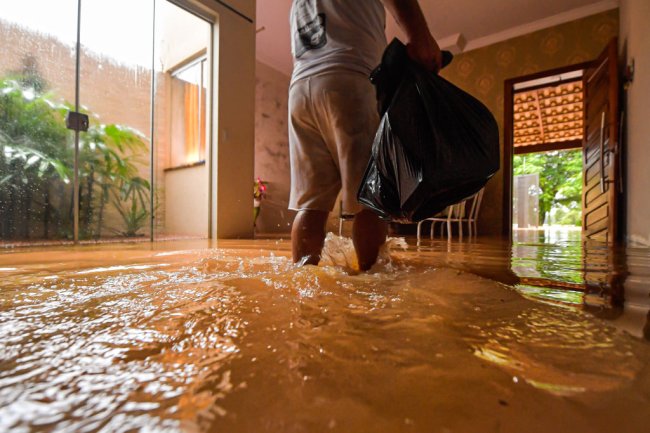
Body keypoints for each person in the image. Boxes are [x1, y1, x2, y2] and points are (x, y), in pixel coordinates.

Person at [288, 0, 442, 270]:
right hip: (349, 76)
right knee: (371, 200)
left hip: (300, 90)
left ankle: (303, 278)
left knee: (310, 204)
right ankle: (372, 283)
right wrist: (421, 37)